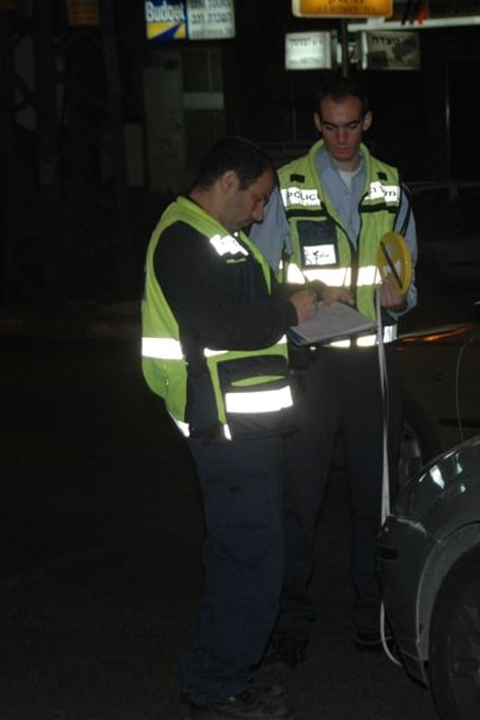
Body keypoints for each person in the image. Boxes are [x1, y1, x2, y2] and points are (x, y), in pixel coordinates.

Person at [140, 137, 348, 720]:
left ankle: (222, 676)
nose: (259, 213)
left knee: (244, 556)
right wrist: (292, 313)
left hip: (246, 426)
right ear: (228, 181)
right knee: (249, 560)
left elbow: (246, 299)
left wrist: (307, 297)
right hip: (224, 428)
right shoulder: (183, 237)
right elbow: (219, 321)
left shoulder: (217, 238)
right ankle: (218, 685)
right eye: (256, 200)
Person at [249, 74, 418, 664]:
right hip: (313, 366)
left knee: (377, 501)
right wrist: (297, 306)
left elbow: (406, 274)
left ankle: (372, 618)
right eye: (330, 126)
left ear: (366, 123)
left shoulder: (392, 186)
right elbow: (264, 272)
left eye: (351, 125)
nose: (341, 138)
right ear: (316, 125)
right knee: (301, 497)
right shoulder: (289, 184)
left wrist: (403, 296)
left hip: (373, 363)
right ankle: (290, 621)